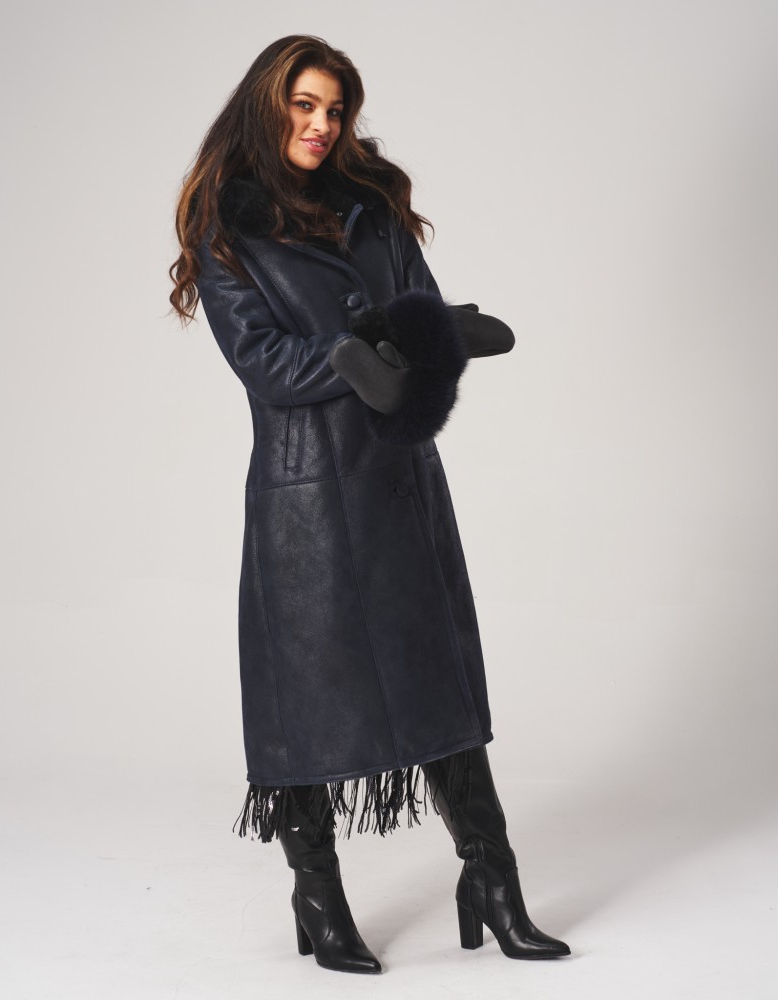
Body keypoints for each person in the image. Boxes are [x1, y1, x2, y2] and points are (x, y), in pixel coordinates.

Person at [169, 33, 570, 976]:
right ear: (268, 105)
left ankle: (494, 880)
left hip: (397, 476)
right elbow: (265, 365)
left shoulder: (373, 206)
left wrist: (428, 339)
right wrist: (368, 354)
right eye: (303, 104)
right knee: (304, 698)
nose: (320, 124)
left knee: (440, 680)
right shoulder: (227, 227)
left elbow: (420, 306)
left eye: (334, 109)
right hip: (305, 500)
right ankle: (317, 897)